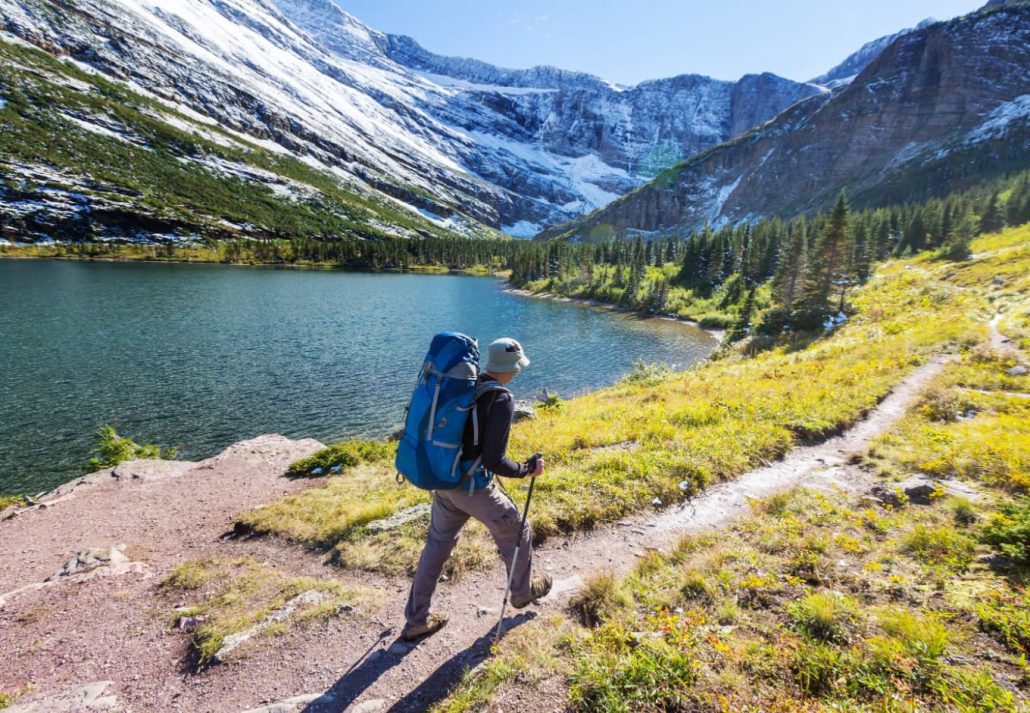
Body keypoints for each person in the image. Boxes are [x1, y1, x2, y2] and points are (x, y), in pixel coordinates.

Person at [401, 337, 552, 641]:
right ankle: (522, 593)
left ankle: (416, 620)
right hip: (474, 489)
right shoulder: (500, 398)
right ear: (510, 367)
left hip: (445, 483)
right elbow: (495, 461)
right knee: (517, 530)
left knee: (436, 546)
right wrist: (526, 469)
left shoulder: (469, 386)